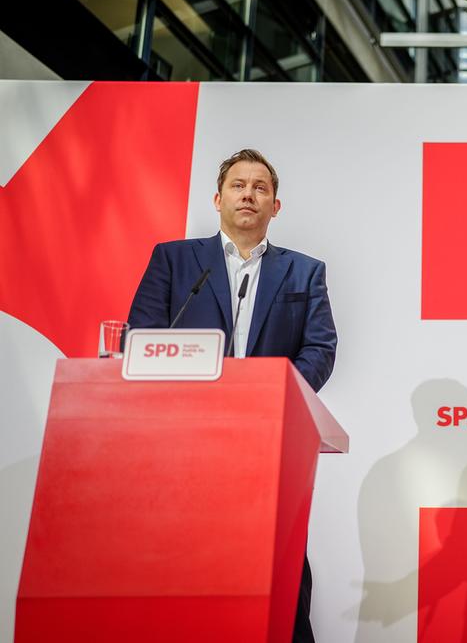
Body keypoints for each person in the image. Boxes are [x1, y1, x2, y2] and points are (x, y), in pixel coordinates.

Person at [128, 148, 337, 642]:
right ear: (218, 198)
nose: (249, 194)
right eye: (239, 185)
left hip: (269, 443)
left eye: (261, 187)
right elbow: (140, 335)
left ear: (275, 206)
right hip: (183, 442)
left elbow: (321, 348)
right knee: (183, 566)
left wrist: (273, 395)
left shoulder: (304, 271)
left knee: (279, 571)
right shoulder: (175, 260)